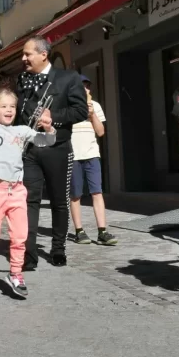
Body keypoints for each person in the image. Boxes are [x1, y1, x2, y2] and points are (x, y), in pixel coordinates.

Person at [0, 63, 56, 299]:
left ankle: (15, 273)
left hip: (17, 191)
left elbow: (45, 142)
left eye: (12, 106)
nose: (9, 110)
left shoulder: (22, 131)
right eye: (3, 106)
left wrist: (49, 129)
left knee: (20, 237)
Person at [15, 36, 88, 269]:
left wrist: (53, 118)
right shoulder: (22, 80)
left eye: (28, 54)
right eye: (23, 54)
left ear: (43, 55)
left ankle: (58, 249)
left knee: (58, 201)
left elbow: (80, 111)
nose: (23, 58)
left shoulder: (68, 78)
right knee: (29, 201)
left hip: (57, 147)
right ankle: (29, 253)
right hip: (29, 150)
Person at [70, 75, 117, 246]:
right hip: (73, 155)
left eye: (88, 86)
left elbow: (101, 132)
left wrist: (92, 115)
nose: (86, 89)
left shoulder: (95, 106)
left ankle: (102, 231)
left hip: (91, 154)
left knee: (97, 192)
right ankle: (79, 231)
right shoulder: (68, 105)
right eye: (82, 86)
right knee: (75, 194)